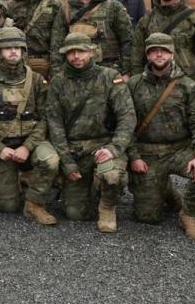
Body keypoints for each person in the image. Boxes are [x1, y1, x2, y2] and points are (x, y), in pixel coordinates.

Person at [127, 33, 195, 242]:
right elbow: (126, 125)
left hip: (180, 150)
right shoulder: (133, 85)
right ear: (147, 54)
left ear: (172, 53)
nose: (159, 54)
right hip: (147, 153)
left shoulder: (190, 86)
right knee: (147, 217)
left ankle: (188, 214)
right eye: (153, 50)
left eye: (164, 50)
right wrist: (134, 156)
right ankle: (165, 189)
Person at [46, 33, 136, 233]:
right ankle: (90, 187)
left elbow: (127, 116)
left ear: (92, 52)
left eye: (82, 51)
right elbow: (55, 123)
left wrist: (114, 148)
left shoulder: (110, 77)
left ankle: (107, 207)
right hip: (75, 148)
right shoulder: (58, 82)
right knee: (75, 213)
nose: (76, 56)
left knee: (111, 175)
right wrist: (66, 160)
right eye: (71, 52)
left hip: (103, 145)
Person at [0, 27, 58, 225]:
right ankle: (5, 179)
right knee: (7, 206)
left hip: (31, 144)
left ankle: (34, 203)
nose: (13, 51)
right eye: (7, 48)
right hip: (1, 148)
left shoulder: (37, 80)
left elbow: (47, 117)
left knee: (51, 160)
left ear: (23, 51)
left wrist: (27, 146)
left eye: (17, 48)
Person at [50, 0, 133, 79]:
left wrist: (125, 72)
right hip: (75, 76)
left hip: (108, 74)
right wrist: (58, 75)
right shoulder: (66, 10)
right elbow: (56, 46)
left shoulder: (113, 6)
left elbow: (128, 41)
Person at [7, 0, 64, 80]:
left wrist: (56, 70)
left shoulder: (54, 4)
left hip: (46, 64)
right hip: (18, 64)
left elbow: (58, 40)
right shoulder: (11, 5)